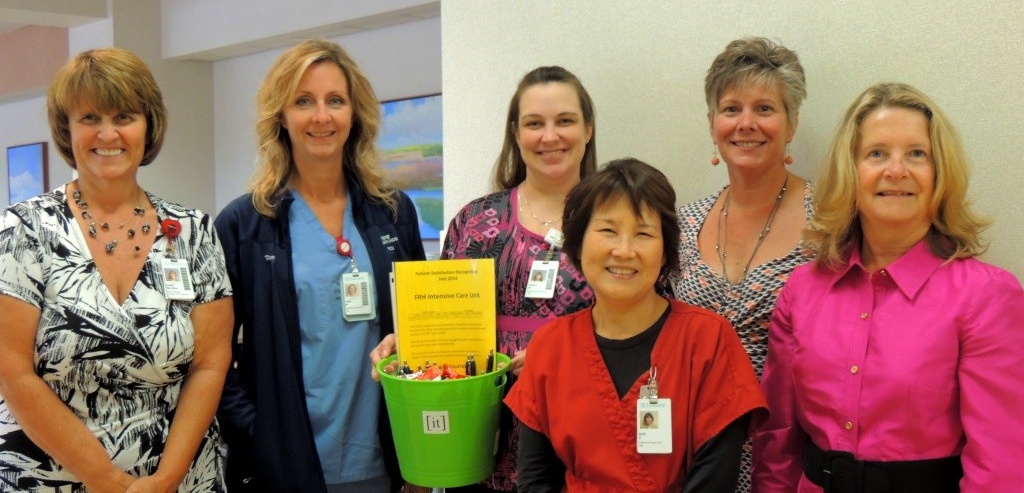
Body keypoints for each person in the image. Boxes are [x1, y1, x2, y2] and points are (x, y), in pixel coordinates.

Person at [752, 83, 1024, 492]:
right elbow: (777, 442)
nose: (896, 170)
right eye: (876, 153)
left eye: (917, 153)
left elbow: (1000, 468)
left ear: (940, 172)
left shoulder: (986, 297)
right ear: (851, 170)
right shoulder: (803, 290)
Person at [0, 48, 233, 491]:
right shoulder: (24, 229)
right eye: (89, 118)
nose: (108, 133)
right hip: (50, 476)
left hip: (180, 478)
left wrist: (166, 479)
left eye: (124, 116)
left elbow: (210, 363)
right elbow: (11, 369)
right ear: (67, 130)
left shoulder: (193, 231)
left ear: (148, 126)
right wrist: (108, 481)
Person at [371, 66, 598, 492]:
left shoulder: (614, 220)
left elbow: (650, 329)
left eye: (564, 121)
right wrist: (412, 342)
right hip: (478, 436)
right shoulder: (476, 222)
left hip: (579, 433)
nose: (550, 136)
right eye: (534, 123)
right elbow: (445, 319)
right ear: (516, 133)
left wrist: (563, 354)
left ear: (588, 129)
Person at [215, 39, 426, 492]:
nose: (321, 117)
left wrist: (420, 456)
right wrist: (256, 436)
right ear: (281, 117)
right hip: (284, 464)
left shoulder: (392, 212)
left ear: (355, 114)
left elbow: (421, 331)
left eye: (336, 101)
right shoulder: (244, 224)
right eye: (304, 101)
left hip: (381, 458)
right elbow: (214, 354)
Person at [506, 158, 767, 492]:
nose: (624, 250)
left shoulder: (708, 340)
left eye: (643, 233)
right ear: (579, 243)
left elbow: (714, 480)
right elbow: (536, 480)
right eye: (607, 230)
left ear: (665, 252)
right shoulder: (550, 346)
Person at [672, 37, 814, 492]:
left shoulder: (832, 222)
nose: (746, 123)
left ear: (791, 124)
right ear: (712, 123)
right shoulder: (682, 223)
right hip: (694, 454)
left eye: (765, 109)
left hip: (790, 453)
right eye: (731, 108)